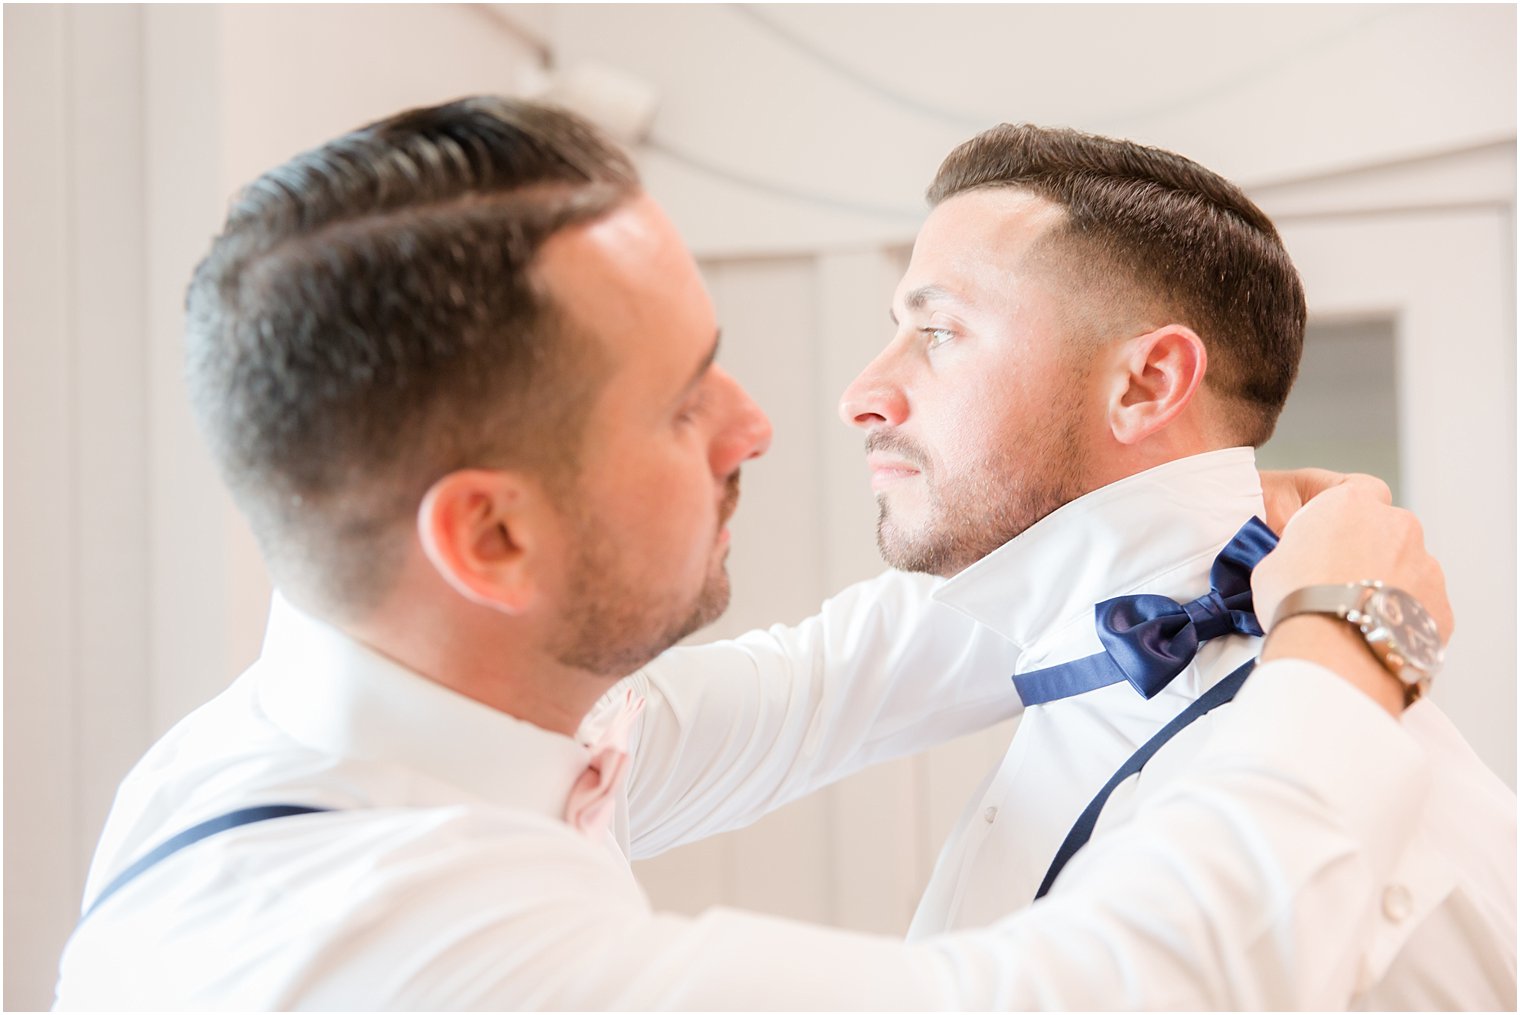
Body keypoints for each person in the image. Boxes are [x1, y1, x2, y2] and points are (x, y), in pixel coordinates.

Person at [55, 98, 1449, 1010]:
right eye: (682, 402)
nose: (774, 418)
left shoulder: (379, 729)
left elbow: (827, 679)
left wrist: (1180, 530)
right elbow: (1127, 987)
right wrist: (1352, 636)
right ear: (492, 533)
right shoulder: (378, 945)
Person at [828, 124, 1512, 1008]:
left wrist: (1356, 630)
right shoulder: (1065, 663)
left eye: (939, 330)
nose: (861, 395)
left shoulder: (1374, 810)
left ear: (1149, 382)